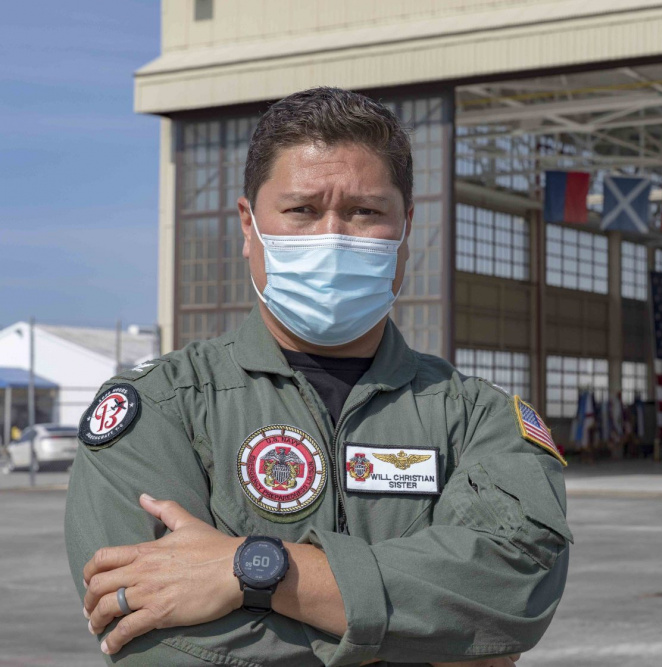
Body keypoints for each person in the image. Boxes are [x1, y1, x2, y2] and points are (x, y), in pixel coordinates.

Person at [65, 87, 572, 667]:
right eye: (302, 210)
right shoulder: (159, 407)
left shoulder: (477, 417)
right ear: (249, 225)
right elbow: (153, 638)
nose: (333, 235)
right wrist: (421, 633)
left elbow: (504, 599)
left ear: (406, 228)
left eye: (365, 211)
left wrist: (254, 570)